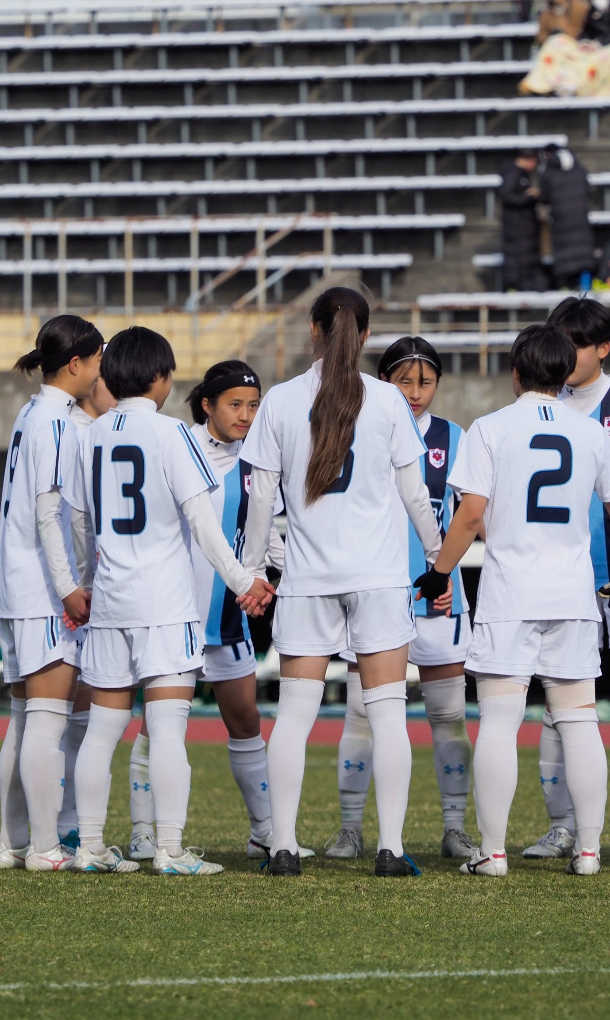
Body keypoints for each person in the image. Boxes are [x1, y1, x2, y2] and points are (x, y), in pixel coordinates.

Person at [414, 323, 610, 877]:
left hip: (511, 593)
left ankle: (493, 853)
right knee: (579, 720)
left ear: (515, 372)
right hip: (572, 594)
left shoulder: (489, 428)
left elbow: (469, 514)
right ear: (565, 374)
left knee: (498, 720)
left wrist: (440, 574)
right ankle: (588, 851)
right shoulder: (590, 431)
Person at [239, 287, 445, 878]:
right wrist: (438, 562)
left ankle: (282, 847)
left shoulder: (279, 401)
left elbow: (261, 499)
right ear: (366, 335)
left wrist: (252, 570)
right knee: (387, 715)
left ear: (313, 330)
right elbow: (416, 495)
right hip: (379, 580)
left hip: (307, 581)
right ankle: (391, 847)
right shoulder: (387, 401)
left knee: (295, 717)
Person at [64, 327, 274, 876]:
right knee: (169, 729)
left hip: (110, 602)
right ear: (161, 378)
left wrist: (87, 576)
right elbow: (203, 523)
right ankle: (170, 850)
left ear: (110, 376)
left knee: (102, 731)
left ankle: (89, 846)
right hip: (165, 604)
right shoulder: (174, 435)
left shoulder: (90, 435)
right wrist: (241, 580)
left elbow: (81, 520)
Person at [522, 297, 610, 862]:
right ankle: (562, 827)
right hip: (564, 579)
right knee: (560, 702)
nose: (567, 353)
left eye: (577, 343)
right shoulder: (540, 403)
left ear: (603, 347)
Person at [323, 336, 478, 863]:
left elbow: (468, 516)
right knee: (360, 717)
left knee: (448, 716)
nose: (414, 392)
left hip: (437, 600)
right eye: (403, 381)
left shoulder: (457, 439)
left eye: (425, 382)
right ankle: (349, 828)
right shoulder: (358, 430)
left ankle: (455, 827)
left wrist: (444, 573)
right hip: (376, 593)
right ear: (382, 381)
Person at [184, 360, 315, 861]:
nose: (246, 415)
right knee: (159, 725)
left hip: (231, 613)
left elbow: (275, 536)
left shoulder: (257, 459)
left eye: (253, 405)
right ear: (207, 405)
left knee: (245, 722)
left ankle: (265, 831)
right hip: (178, 613)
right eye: (235, 404)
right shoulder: (181, 446)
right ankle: (146, 835)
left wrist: (295, 579)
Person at [0, 315, 104, 873]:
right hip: (42, 590)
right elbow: (48, 513)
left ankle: (12, 842)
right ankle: (42, 847)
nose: (102, 371)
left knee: (23, 718)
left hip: (17, 587)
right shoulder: (57, 422)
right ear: (78, 363)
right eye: (99, 359)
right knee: (48, 718)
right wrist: (68, 588)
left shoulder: (30, 413)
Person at [56, 375, 117, 854]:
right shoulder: (79, 432)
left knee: (76, 713)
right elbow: (74, 519)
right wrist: (78, 584)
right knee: (62, 716)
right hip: (79, 591)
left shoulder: (84, 429)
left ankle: (62, 826)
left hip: (83, 587)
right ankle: (59, 828)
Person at [541, 144, 596, 289]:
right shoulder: (580, 170)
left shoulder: (548, 173)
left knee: (564, 257)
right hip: (581, 220)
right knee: (583, 254)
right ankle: (586, 284)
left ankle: (565, 286)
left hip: (561, 221)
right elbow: (588, 191)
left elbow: (544, 197)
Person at [499, 151, 545, 292]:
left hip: (522, 226)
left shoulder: (519, 174)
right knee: (518, 260)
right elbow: (507, 196)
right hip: (517, 227)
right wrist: (528, 196)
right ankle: (514, 287)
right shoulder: (513, 174)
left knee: (525, 259)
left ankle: (523, 287)